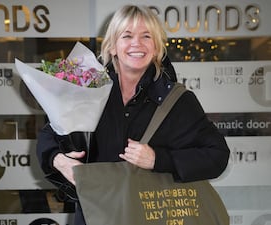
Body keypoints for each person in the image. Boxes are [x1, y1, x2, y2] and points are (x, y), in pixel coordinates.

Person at [36, 4, 230, 225]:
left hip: (151, 217)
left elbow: (217, 156)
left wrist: (158, 159)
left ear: (156, 47)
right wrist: (58, 160)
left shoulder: (177, 101)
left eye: (146, 36)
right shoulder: (86, 90)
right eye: (127, 36)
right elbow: (48, 137)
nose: (136, 43)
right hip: (95, 216)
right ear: (112, 47)